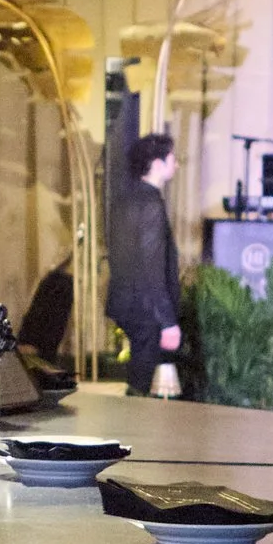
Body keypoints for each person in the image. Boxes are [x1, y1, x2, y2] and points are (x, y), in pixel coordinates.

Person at [107, 130, 184, 394]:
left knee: (138, 380)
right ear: (157, 163)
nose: (176, 163)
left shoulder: (123, 201)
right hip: (147, 309)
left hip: (126, 303)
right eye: (173, 158)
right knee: (139, 384)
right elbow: (152, 266)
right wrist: (168, 320)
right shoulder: (151, 204)